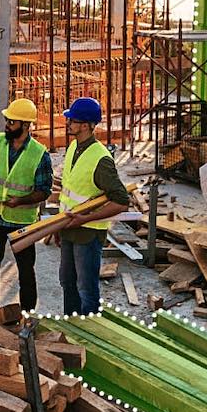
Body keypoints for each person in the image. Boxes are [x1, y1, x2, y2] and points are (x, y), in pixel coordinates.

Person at [0, 98, 53, 319]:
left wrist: (21, 200)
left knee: (25, 269)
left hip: (22, 220)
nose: (6, 125)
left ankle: (28, 313)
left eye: (12, 122)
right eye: (6, 120)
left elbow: (44, 190)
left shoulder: (39, 154)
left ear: (25, 125)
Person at [54, 97, 130, 315]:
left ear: (86, 125)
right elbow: (69, 193)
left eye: (73, 120)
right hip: (69, 227)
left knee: (86, 289)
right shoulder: (73, 148)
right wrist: (60, 226)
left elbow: (121, 201)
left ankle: (88, 336)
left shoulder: (101, 159)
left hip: (88, 234)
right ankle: (71, 329)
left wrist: (85, 219)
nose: (68, 123)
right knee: (67, 282)